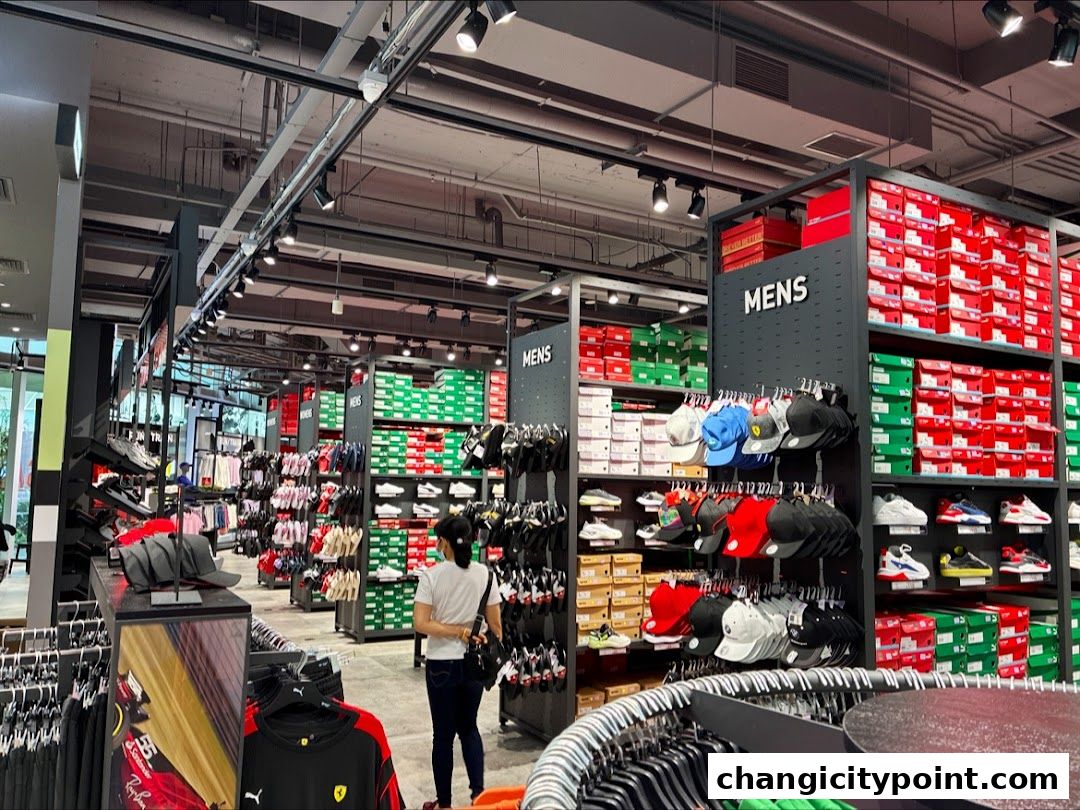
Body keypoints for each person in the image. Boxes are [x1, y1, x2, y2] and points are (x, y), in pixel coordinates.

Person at [412, 515, 502, 810]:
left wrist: (455, 631)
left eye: (439, 540)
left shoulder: (431, 576)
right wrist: (475, 635)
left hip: (441, 663)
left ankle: (446, 804)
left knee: (443, 736)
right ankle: (479, 797)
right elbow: (496, 627)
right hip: (474, 664)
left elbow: (421, 623)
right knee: (469, 728)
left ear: (445, 543)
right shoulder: (486, 575)